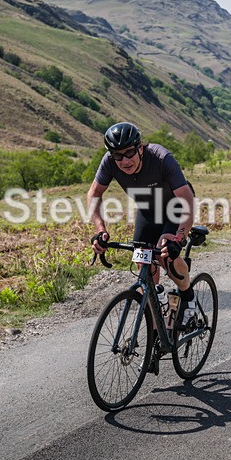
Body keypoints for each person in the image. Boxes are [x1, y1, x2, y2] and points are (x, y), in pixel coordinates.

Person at [87, 122, 198, 331]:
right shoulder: (110, 162)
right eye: (118, 155)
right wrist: (100, 230)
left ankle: (188, 296)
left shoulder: (161, 158)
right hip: (148, 208)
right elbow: (94, 194)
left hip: (175, 205)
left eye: (129, 153)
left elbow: (187, 199)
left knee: (165, 253)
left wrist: (180, 237)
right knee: (142, 260)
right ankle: (157, 326)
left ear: (140, 147)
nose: (125, 160)